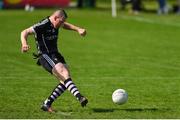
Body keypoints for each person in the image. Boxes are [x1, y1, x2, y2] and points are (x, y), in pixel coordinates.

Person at [20, 9, 88, 113]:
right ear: (55, 18)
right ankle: (80, 97)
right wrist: (24, 44)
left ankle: (47, 104)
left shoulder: (58, 22)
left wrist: (78, 29)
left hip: (55, 54)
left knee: (65, 80)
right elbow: (24, 32)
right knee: (64, 73)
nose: (62, 24)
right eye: (61, 21)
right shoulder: (43, 25)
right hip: (45, 55)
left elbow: (65, 25)